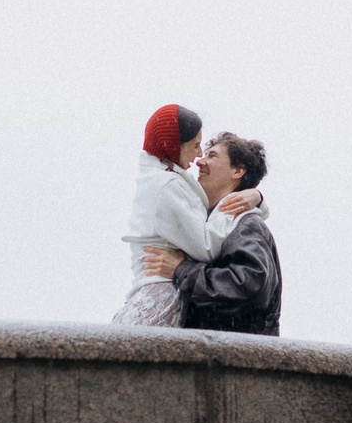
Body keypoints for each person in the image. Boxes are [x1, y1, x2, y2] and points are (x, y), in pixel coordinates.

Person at [111, 104, 261, 326]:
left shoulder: (162, 179)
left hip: (156, 293)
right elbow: (206, 246)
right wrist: (245, 203)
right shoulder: (167, 185)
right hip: (160, 296)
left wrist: (256, 198)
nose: (199, 156)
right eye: (196, 146)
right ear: (173, 145)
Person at [143, 132, 280, 336]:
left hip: (234, 360)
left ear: (238, 171)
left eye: (212, 156)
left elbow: (248, 285)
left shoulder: (246, 224)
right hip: (212, 356)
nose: (200, 162)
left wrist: (181, 270)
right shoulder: (208, 222)